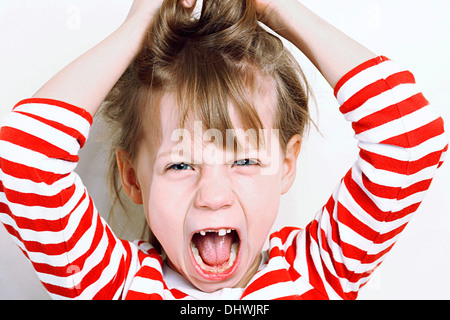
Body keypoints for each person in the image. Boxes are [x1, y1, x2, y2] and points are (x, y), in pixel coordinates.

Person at [0, 0, 447, 300]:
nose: (213, 196)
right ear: (134, 178)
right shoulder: (112, 283)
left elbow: (411, 140)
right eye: (179, 164)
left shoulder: (317, 272)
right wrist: (137, 28)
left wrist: (277, 9)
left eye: (246, 160)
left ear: (287, 163)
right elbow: (22, 160)